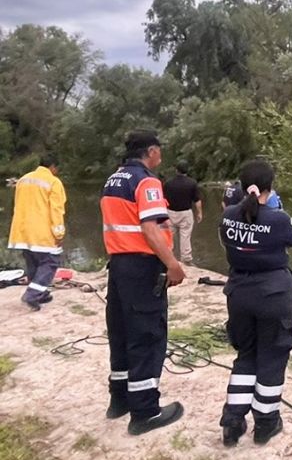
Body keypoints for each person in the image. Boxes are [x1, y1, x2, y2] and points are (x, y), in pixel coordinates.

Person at [100, 130, 186, 435]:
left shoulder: (114, 179)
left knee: (121, 331)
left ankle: (119, 399)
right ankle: (145, 411)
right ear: (151, 151)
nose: (161, 156)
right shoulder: (146, 181)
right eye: (159, 151)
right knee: (147, 335)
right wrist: (172, 264)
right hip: (141, 267)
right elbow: (150, 229)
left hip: (119, 266)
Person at [218, 159, 292, 447]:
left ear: (241, 185)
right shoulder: (278, 218)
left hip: (239, 295)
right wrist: (274, 209)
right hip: (273, 296)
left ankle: (232, 423)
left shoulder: (227, 215)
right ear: (270, 186)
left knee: (246, 356)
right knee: (272, 358)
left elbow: (232, 237)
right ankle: (265, 424)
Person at [7, 154, 66, 311]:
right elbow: (56, 210)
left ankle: (42, 293)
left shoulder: (24, 179)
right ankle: (33, 294)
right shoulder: (54, 182)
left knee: (33, 262)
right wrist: (59, 233)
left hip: (21, 230)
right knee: (50, 262)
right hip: (41, 231)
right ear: (53, 167)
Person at [164, 160, 203, 265]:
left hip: (170, 212)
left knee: (169, 235)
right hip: (185, 213)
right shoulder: (192, 183)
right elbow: (197, 200)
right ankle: (186, 259)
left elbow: (163, 199)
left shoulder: (168, 183)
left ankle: (168, 257)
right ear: (187, 170)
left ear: (176, 170)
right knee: (185, 235)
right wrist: (199, 213)